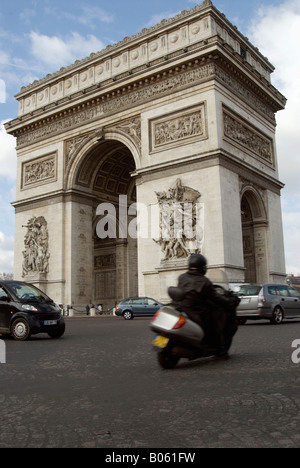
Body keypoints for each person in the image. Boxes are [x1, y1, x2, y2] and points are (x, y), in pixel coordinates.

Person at [173, 254, 239, 356]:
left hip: (182, 306)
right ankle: (218, 347)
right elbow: (216, 297)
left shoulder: (182, 277)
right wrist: (229, 301)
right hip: (197, 310)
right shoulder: (204, 281)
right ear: (202, 267)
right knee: (215, 321)